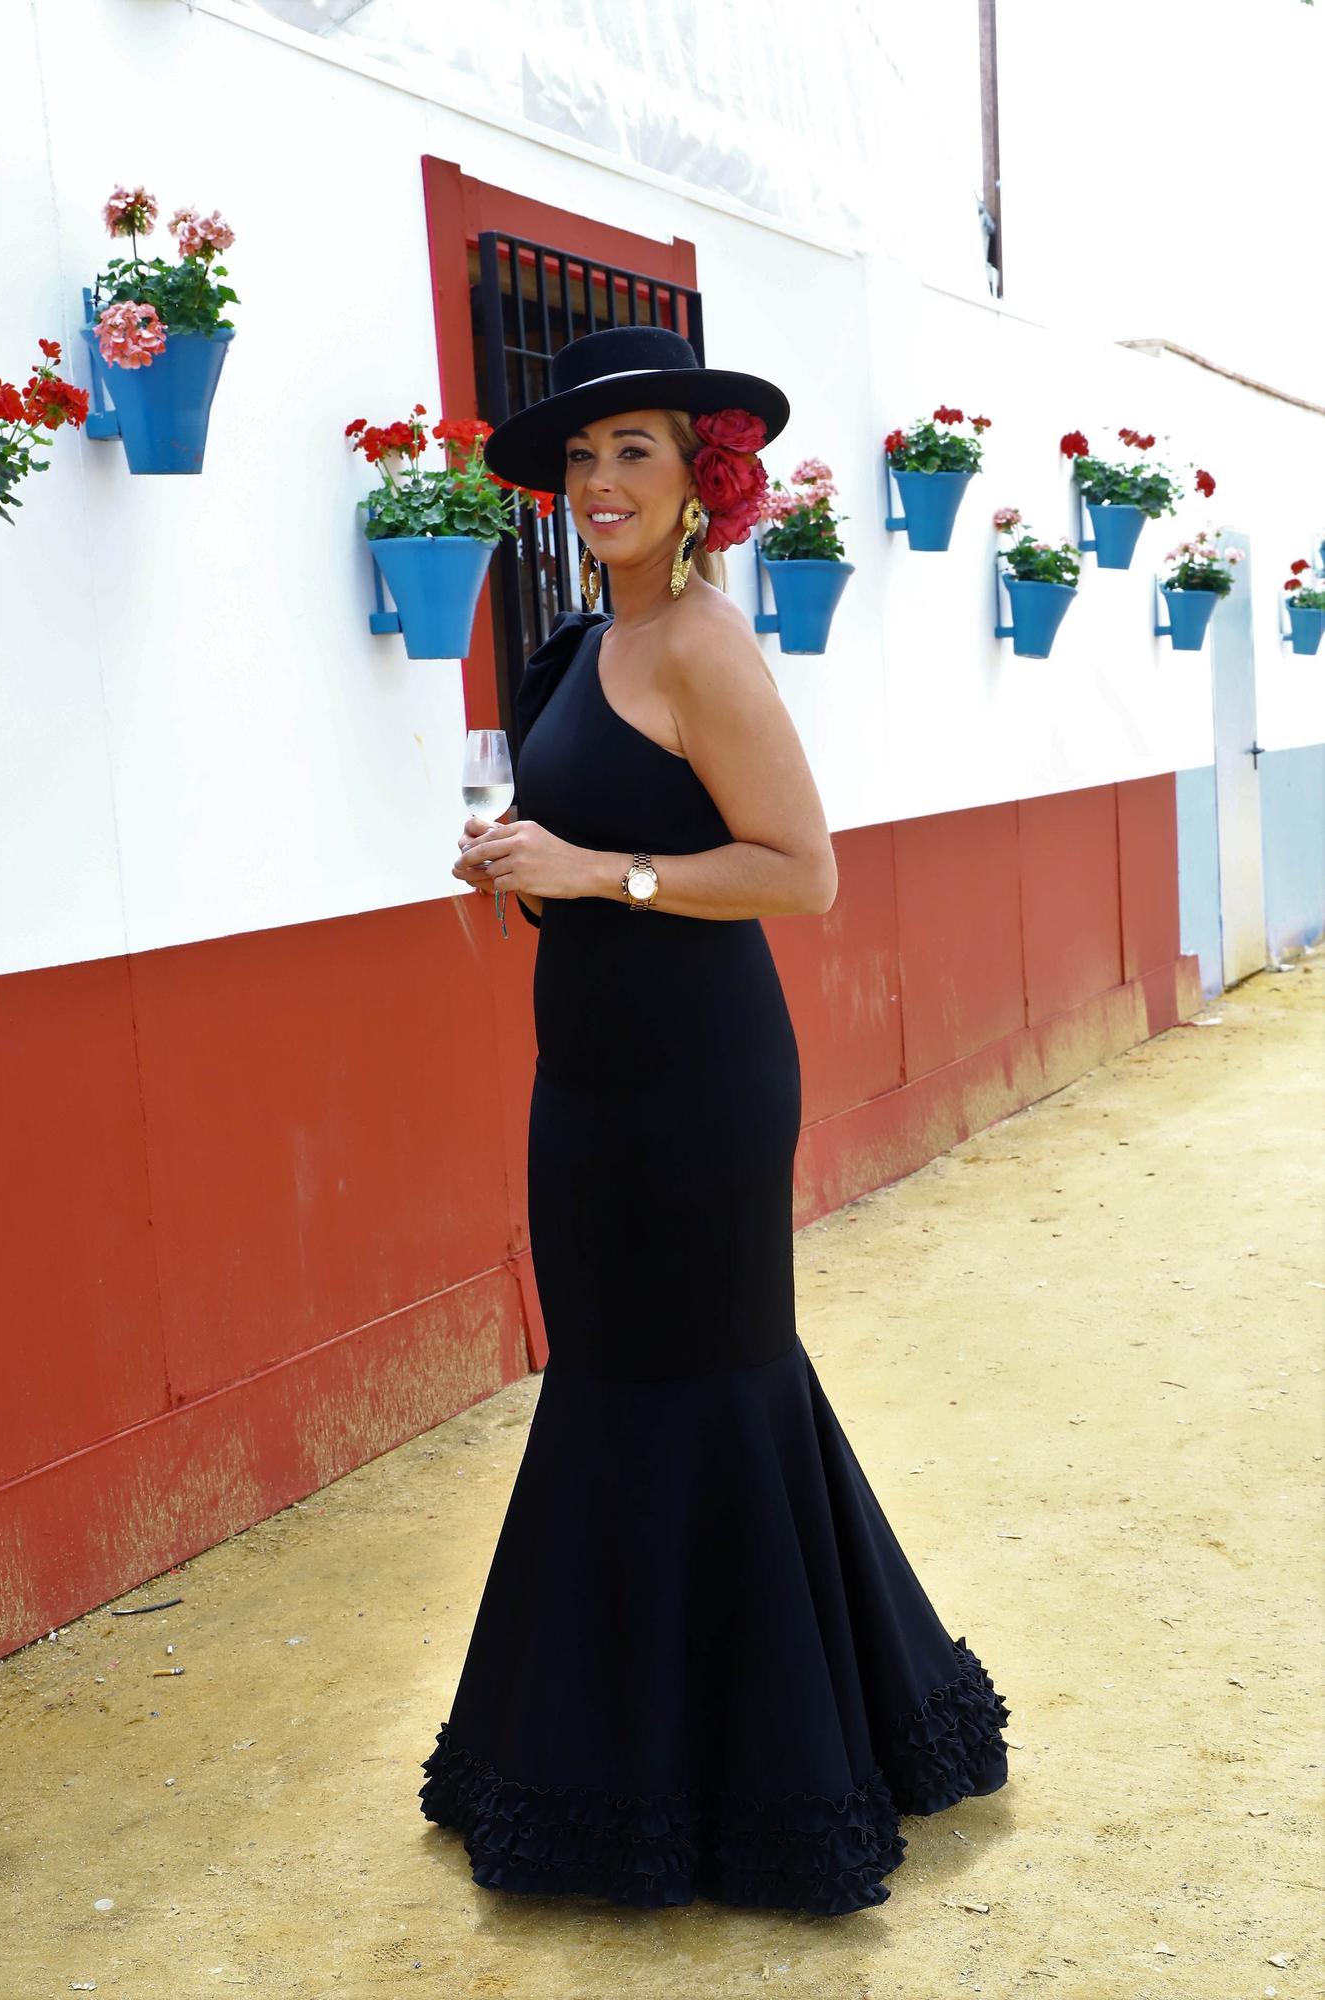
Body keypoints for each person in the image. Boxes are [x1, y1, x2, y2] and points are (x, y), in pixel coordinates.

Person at [418, 324, 1010, 1915]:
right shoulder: (571, 646)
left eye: (639, 455)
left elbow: (799, 873)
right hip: (590, 1077)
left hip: (700, 1085)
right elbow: (588, 840)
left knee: (706, 1383)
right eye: (585, 460)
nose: (603, 482)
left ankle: (766, 1775)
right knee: (615, 1379)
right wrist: (524, 862)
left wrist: (601, 874)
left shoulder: (700, 645)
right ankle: (621, 1747)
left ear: (703, 486)